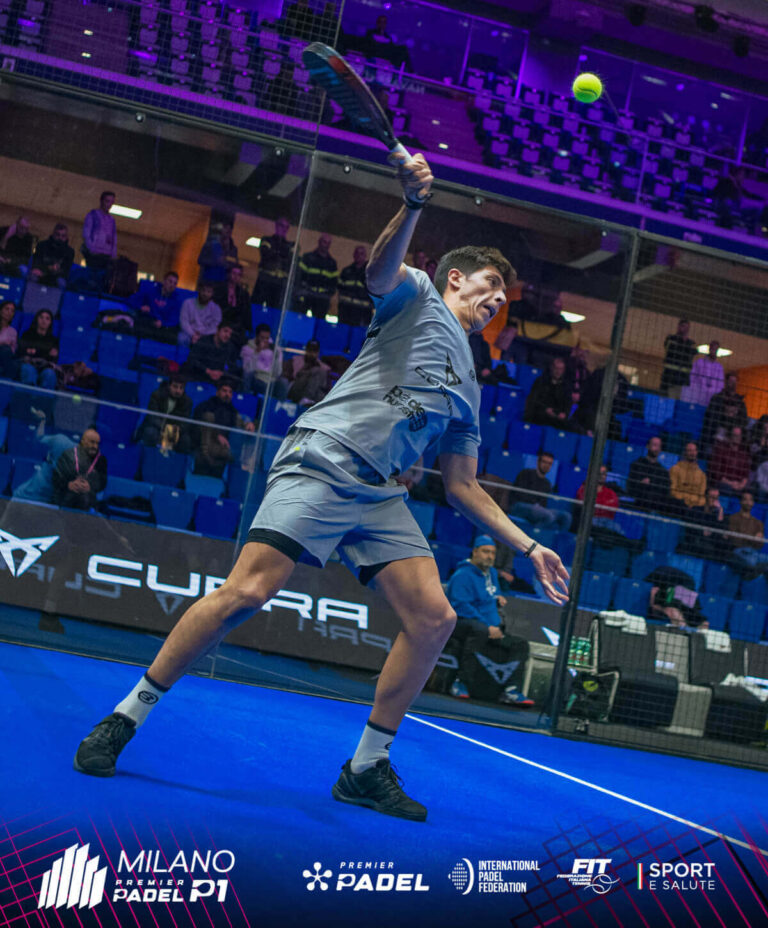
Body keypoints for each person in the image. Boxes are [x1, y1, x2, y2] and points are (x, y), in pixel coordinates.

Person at [73, 151, 569, 823]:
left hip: (380, 495)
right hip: (324, 459)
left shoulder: (470, 388)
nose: (495, 303)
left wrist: (528, 546)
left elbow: (462, 485)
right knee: (248, 591)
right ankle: (125, 716)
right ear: (456, 278)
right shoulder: (418, 295)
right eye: (488, 287)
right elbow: (378, 270)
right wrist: (412, 204)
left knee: (436, 618)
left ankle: (365, 767)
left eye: (503, 300)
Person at [444, 536, 532, 706]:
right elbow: (460, 606)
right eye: (485, 551)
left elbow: (490, 593)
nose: (490, 556)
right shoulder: (462, 575)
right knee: (479, 630)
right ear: (475, 552)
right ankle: (460, 682)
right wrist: (487, 626)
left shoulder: (491, 574)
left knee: (520, 644)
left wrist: (497, 598)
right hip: (460, 624)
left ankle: (511, 690)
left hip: (488, 625)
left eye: (493, 553)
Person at [192, 379, 255, 476]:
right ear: (217, 392)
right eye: (224, 391)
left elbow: (240, 422)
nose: (227, 394)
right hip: (205, 443)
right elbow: (198, 423)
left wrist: (248, 424)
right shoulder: (206, 406)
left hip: (223, 446)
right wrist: (217, 435)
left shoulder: (232, 411)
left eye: (230, 392)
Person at [510, 450, 571, 531]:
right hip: (519, 506)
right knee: (548, 516)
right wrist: (535, 505)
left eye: (549, 463)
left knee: (566, 517)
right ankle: (534, 536)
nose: (546, 465)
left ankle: (556, 538)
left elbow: (543, 503)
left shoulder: (547, 483)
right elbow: (519, 494)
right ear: (538, 462)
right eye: (544, 462)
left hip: (537, 509)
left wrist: (539, 507)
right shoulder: (526, 473)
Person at [52, 427, 107, 510]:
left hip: (88, 501)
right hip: (64, 497)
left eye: (97, 443)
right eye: (92, 442)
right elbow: (56, 477)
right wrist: (68, 485)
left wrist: (90, 487)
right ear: (83, 441)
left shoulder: (101, 460)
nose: (95, 446)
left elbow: (102, 482)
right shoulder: (68, 455)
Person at [135, 377, 192, 454]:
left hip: (174, 430)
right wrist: (164, 428)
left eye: (181, 388)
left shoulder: (187, 402)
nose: (178, 391)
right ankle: (148, 455)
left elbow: (185, 423)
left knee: (185, 440)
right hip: (157, 427)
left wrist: (172, 430)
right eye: (175, 387)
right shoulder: (157, 395)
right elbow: (152, 417)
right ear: (169, 386)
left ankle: (171, 459)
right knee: (150, 433)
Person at [701, 373, 747, 455]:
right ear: (726, 382)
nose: (733, 384)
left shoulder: (740, 402)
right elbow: (710, 417)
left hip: (732, 434)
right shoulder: (717, 398)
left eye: (735, 381)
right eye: (731, 381)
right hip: (717, 431)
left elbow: (743, 420)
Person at [129, 271, 184, 340]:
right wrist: (140, 307)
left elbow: (174, 319)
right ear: (164, 281)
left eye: (175, 283)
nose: (172, 285)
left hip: (163, 328)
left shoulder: (176, 300)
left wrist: (162, 323)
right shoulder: (151, 291)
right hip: (148, 321)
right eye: (170, 281)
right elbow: (131, 300)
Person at [523, 356, 574, 430]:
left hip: (557, 417)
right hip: (540, 414)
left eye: (561, 369)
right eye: (556, 368)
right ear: (551, 368)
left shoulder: (566, 386)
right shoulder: (541, 382)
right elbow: (533, 400)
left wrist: (564, 414)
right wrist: (545, 409)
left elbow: (568, 403)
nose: (558, 372)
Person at [295, 234, 339, 319]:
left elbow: (334, 283)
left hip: (322, 298)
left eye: (328, 243)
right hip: (306, 295)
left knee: (319, 322)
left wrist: (328, 294)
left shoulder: (332, 263)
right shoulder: (307, 258)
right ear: (319, 242)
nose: (326, 245)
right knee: (300, 319)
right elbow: (299, 276)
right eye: (324, 242)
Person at [727, 490, 768, 580]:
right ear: (741, 502)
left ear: (753, 503)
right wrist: (752, 538)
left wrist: (758, 540)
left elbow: (759, 545)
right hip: (738, 551)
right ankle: (754, 572)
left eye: (750, 500)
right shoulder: (733, 518)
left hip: (754, 552)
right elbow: (734, 540)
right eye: (745, 499)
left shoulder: (758, 523)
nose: (748, 502)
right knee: (752, 561)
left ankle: (752, 574)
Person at [185, 321, 240, 387]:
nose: (228, 336)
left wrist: (222, 373)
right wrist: (208, 371)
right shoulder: (204, 341)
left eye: (230, 334)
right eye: (225, 331)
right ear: (217, 330)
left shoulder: (230, 347)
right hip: (199, 375)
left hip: (218, 380)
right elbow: (192, 360)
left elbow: (232, 366)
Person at [627, 436, 673, 514]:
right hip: (639, 503)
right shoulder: (637, 465)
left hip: (655, 506)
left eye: (659, 446)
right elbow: (631, 486)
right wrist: (641, 483)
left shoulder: (663, 472)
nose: (657, 448)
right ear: (648, 446)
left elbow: (665, 491)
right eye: (654, 445)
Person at [241, 323, 287, 397]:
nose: (265, 340)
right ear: (256, 336)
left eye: (267, 338)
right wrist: (257, 352)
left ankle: (278, 404)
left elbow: (277, 373)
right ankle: (247, 398)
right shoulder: (247, 348)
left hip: (271, 380)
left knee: (283, 382)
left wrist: (276, 357)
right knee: (249, 377)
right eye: (262, 338)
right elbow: (248, 369)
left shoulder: (276, 350)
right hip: (257, 378)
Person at [679, 486, 725, 559]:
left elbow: (720, 531)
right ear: (706, 497)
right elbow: (691, 528)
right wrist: (702, 531)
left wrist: (720, 510)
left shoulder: (718, 515)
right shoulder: (696, 510)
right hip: (695, 540)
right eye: (712, 497)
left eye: (716, 498)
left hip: (710, 543)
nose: (714, 500)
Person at [255, 217, 292, 308]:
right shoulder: (266, 240)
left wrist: (277, 251)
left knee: (274, 309)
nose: (283, 229)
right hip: (264, 280)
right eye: (281, 226)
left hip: (279, 284)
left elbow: (288, 261)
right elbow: (266, 254)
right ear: (276, 226)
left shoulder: (289, 245)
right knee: (257, 305)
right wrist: (281, 252)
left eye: (286, 227)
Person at [17, 308, 59, 389]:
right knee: (28, 370)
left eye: (47, 318)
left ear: (50, 322)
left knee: (50, 374)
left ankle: (43, 397)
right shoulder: (27, 335)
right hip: (28, 363)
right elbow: (21, 352)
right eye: (41, 317)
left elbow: (53, 358)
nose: (44, 320)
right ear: (37, 319)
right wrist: (46, 352)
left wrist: (34, 350)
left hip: (45, 366)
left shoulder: (54, 340)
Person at [213, 264, 252, 348]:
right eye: (234, 273)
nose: (236, 277)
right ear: (229, 274)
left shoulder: (243, 294)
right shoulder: (219, 288)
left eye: (239, 274)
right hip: (219, 322)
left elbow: (246, 313)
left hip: (235, 326)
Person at [285, 338, 331, 406]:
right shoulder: (296, 360)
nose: (312, 353)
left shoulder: (324, 367)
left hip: (314, 393)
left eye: (314, 351)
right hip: (297, 388)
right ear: (306, 350)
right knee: (318, 371)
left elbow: (327, 387)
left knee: (321, 394)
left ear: (318, 352)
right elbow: (289, 376)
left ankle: (308, 402)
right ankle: (306, 399)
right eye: (310, 350)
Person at [709, 426, 751, 496]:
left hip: (739, 485)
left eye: (739, 436)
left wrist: (741, 485)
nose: (737, 438)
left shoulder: (744, 454)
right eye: (735, 435)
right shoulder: (721, 449)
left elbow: (746, 474)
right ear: (729, 436)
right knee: (727, 488)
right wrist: (731, 483)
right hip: (724, 483)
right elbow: (716, 472)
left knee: (748, 493)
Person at [29, 223, 74, 288]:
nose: (60, 238)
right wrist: (46, 269)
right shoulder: (41, 245)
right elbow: (36, 262)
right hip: (41, 273)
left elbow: (66, 270)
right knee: (32, 276)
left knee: (62, 283)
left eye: (63, 236)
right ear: (53, 234)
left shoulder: (70, 252)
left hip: (57, 277)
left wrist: (52, 270)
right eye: (58, 235)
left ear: (66, 237)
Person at [338, 246, 373, 326]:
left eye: (361, 254)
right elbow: (340, 288)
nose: (359, 256)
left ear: (365, 256)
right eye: (357, 253)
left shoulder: (370, 274)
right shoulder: (346, 271)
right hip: (345, 311)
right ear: (354, 255)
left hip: (363, 313)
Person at [682, 341, 724, 407]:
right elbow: (692, 378)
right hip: (697, 396)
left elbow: (720, 385)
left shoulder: (719, 367)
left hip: (711, 399)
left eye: (715, 349)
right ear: (709, 349)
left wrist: (711, 391)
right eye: (712, 348)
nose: (713, 351)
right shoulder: (699, 362)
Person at [660, 319, 696, 396]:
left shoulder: (691, 343)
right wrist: (683, 344)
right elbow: (671, 349)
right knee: (666, 398)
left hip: (683, 379)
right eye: (683, 326)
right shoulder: (671, 339)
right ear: (679, 327)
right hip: (669, 377)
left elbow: (692, 353)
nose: (686, 329)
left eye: (687, 328)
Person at [197, 221, 239, 287]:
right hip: (208, 281)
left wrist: (226, 264)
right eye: (225, 228)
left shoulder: (233, 249)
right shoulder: (210, 244)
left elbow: (234, 265)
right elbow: (200, 260)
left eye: (229, 229)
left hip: (222, 283)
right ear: (221, 229)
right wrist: (215, 261)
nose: (227, 231)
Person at [82, 192, 117, 269]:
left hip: (106, 255)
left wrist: (113, 254)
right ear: (101, 201)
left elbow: (114, 238)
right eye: (107, 201)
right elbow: (86, 234)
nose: (109, 204)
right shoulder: (93, 215)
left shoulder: (111, 220)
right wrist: (91, 249)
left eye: (112, 202)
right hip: (94, 254)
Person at [669, 441, 706, 510]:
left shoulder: (702, 475)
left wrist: (693, 503)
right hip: (678, 504)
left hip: (695, 507)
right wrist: (688, 500)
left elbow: (702, 497)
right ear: (684, 453)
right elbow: (672, 491)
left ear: (697, 452)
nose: (692, 453)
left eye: (694, 450)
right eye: (689, 451)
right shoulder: (675, 469)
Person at [0, 300, 17, 379]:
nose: (9, 312)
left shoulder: (13, 332)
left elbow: (12, 351)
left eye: (12, 311)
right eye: (7, 309)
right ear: (1, 311)